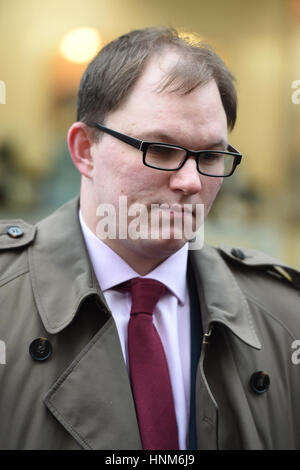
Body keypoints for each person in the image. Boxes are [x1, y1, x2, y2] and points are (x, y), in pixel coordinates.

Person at [1, 26, 300, 451]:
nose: (191, 182)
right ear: (85, 149)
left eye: (212, 156)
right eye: (160, 150)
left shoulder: (284, 319)